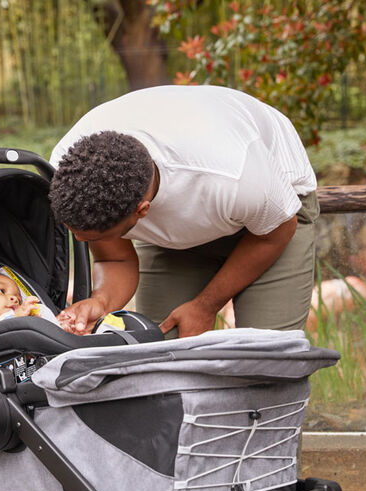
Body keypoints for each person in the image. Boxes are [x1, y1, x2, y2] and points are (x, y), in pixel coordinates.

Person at [49, 85, 319, 338]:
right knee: (163, 353)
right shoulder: (70, 169)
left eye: (94, 238)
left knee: (266, 359)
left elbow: (275, 232)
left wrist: (206, 305)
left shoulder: (237, 177)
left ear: (142, 212)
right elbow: (114, 261)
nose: (81, 244)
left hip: (271, 223)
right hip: (195, 210)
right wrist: (101, 301)